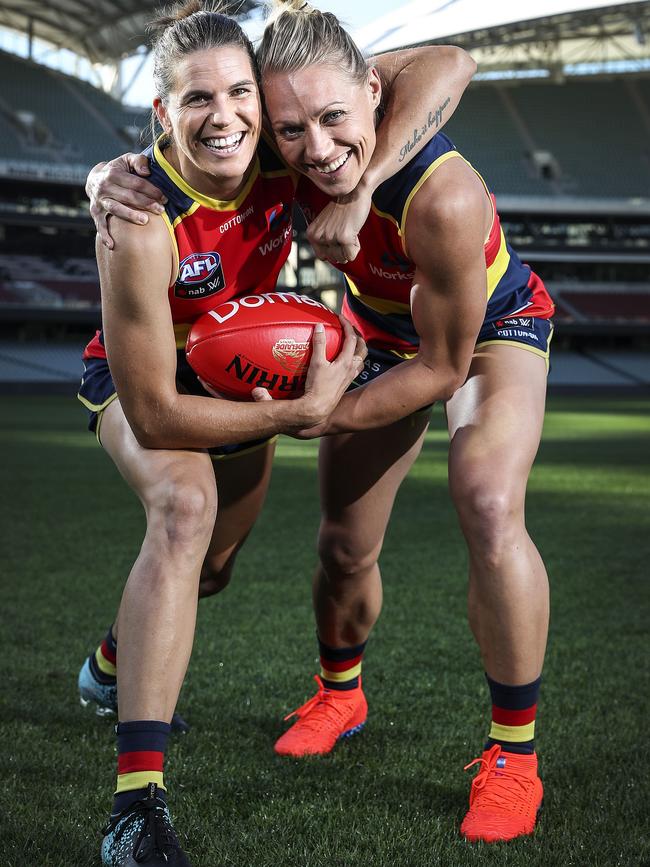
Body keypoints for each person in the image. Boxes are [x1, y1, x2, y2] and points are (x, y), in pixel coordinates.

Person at [92, 0, 553, 847]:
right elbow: (191, 134)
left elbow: (444, 366)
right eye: (294, 127)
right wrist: (101, 177)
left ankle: (513, 755)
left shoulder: (441, 198)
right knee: (343, 546)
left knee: (488, 501)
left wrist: (315, 412)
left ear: (374, 92)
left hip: (485, 330)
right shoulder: (271, 134)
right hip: (375, 333)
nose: (318, 147)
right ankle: (341, 691)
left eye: (337, 118)